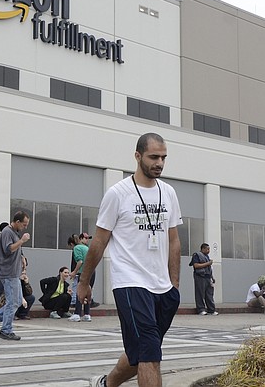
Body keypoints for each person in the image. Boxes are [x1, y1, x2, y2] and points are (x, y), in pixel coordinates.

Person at [77, 132, 182, 387]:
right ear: (137, 156)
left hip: (163, 287)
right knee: (150, 354)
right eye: (153, 157)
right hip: (130, 283)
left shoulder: (168, 193)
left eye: (163, 157)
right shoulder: (118, 193)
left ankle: (106, 383)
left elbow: (174, 241)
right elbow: (99, 241)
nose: (159, 163)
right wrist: (84, 281)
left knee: (142, 351)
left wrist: (174, 286)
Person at [0, 211, 30, 341]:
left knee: (16, 301)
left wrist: (21, 257)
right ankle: (6, 330)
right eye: (24, 224)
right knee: (12, 302)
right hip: (8, 273)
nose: (25, 227)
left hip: (14, 273)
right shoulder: (7, 232)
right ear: (17, 222)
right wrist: (22, 241)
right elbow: (8, 249)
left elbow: (15, 249)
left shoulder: (14, 233)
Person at [69, 232, 94, 321]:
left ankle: (77, 314)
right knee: (88, 293)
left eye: (88, 238)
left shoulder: (77, 248)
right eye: (85, 238)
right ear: (80, 239)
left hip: (83, 273)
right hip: (92, 272)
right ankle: (87, 314)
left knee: (79, 292)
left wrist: (73, 272)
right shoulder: (87, 248)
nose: (87, 240)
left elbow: (80, 262)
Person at [190, 242, 217, 315]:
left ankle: (211, 310)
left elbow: (210, 268)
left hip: (208, 277)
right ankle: (201, 309)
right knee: (200, 293)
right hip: (200, 276)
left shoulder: (207, 257)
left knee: (209, 294)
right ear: (203, 249)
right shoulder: (197, 255)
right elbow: (196, 265)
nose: (209, 250)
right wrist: (207, 263)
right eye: (207, 249)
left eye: (209, 249)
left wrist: (212, 277)